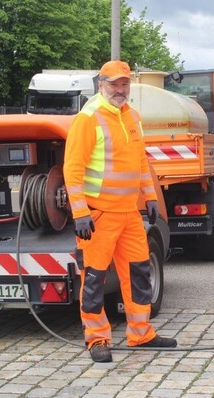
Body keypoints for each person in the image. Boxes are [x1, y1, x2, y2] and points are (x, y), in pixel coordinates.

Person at [63, 60, 177, 363]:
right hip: (98, 215)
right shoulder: (88, 119)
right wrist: (79, 213)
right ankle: (97, 338)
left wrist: (150, 197)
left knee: (139, 273)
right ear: (102, 84)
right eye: (114, 84)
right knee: (94, 280)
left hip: (129, 214)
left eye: (124, 84)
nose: (120, 89)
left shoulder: (133, 117)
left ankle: (141, 333)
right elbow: (72, 169)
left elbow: (140, 162)